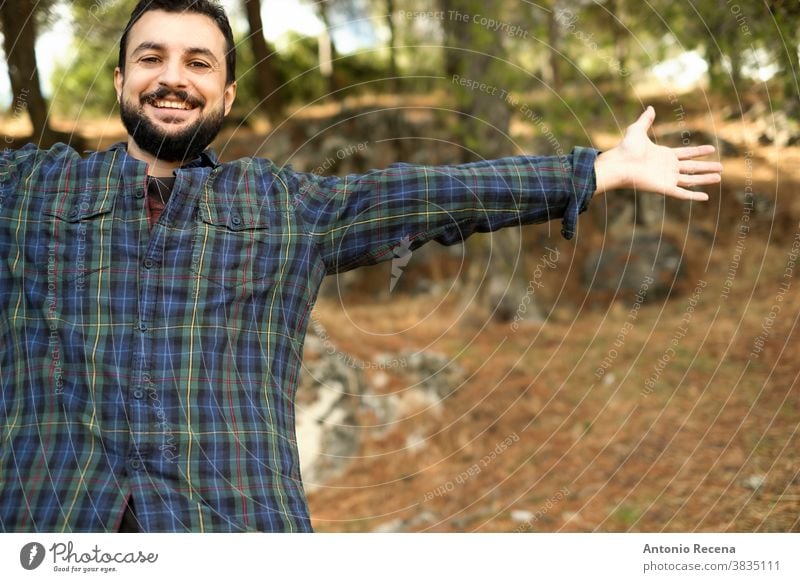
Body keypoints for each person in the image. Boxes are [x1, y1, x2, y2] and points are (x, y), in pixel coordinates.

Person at [0, 0, 722, 533]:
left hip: (232, 530)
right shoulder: (27, 193)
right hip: (50, 526)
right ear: (121, 77)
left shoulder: (284, 207)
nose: (172, 78)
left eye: (198, 63)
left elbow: (428, 195)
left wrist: (594, 170)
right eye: (152, 58)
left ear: (225, 95)